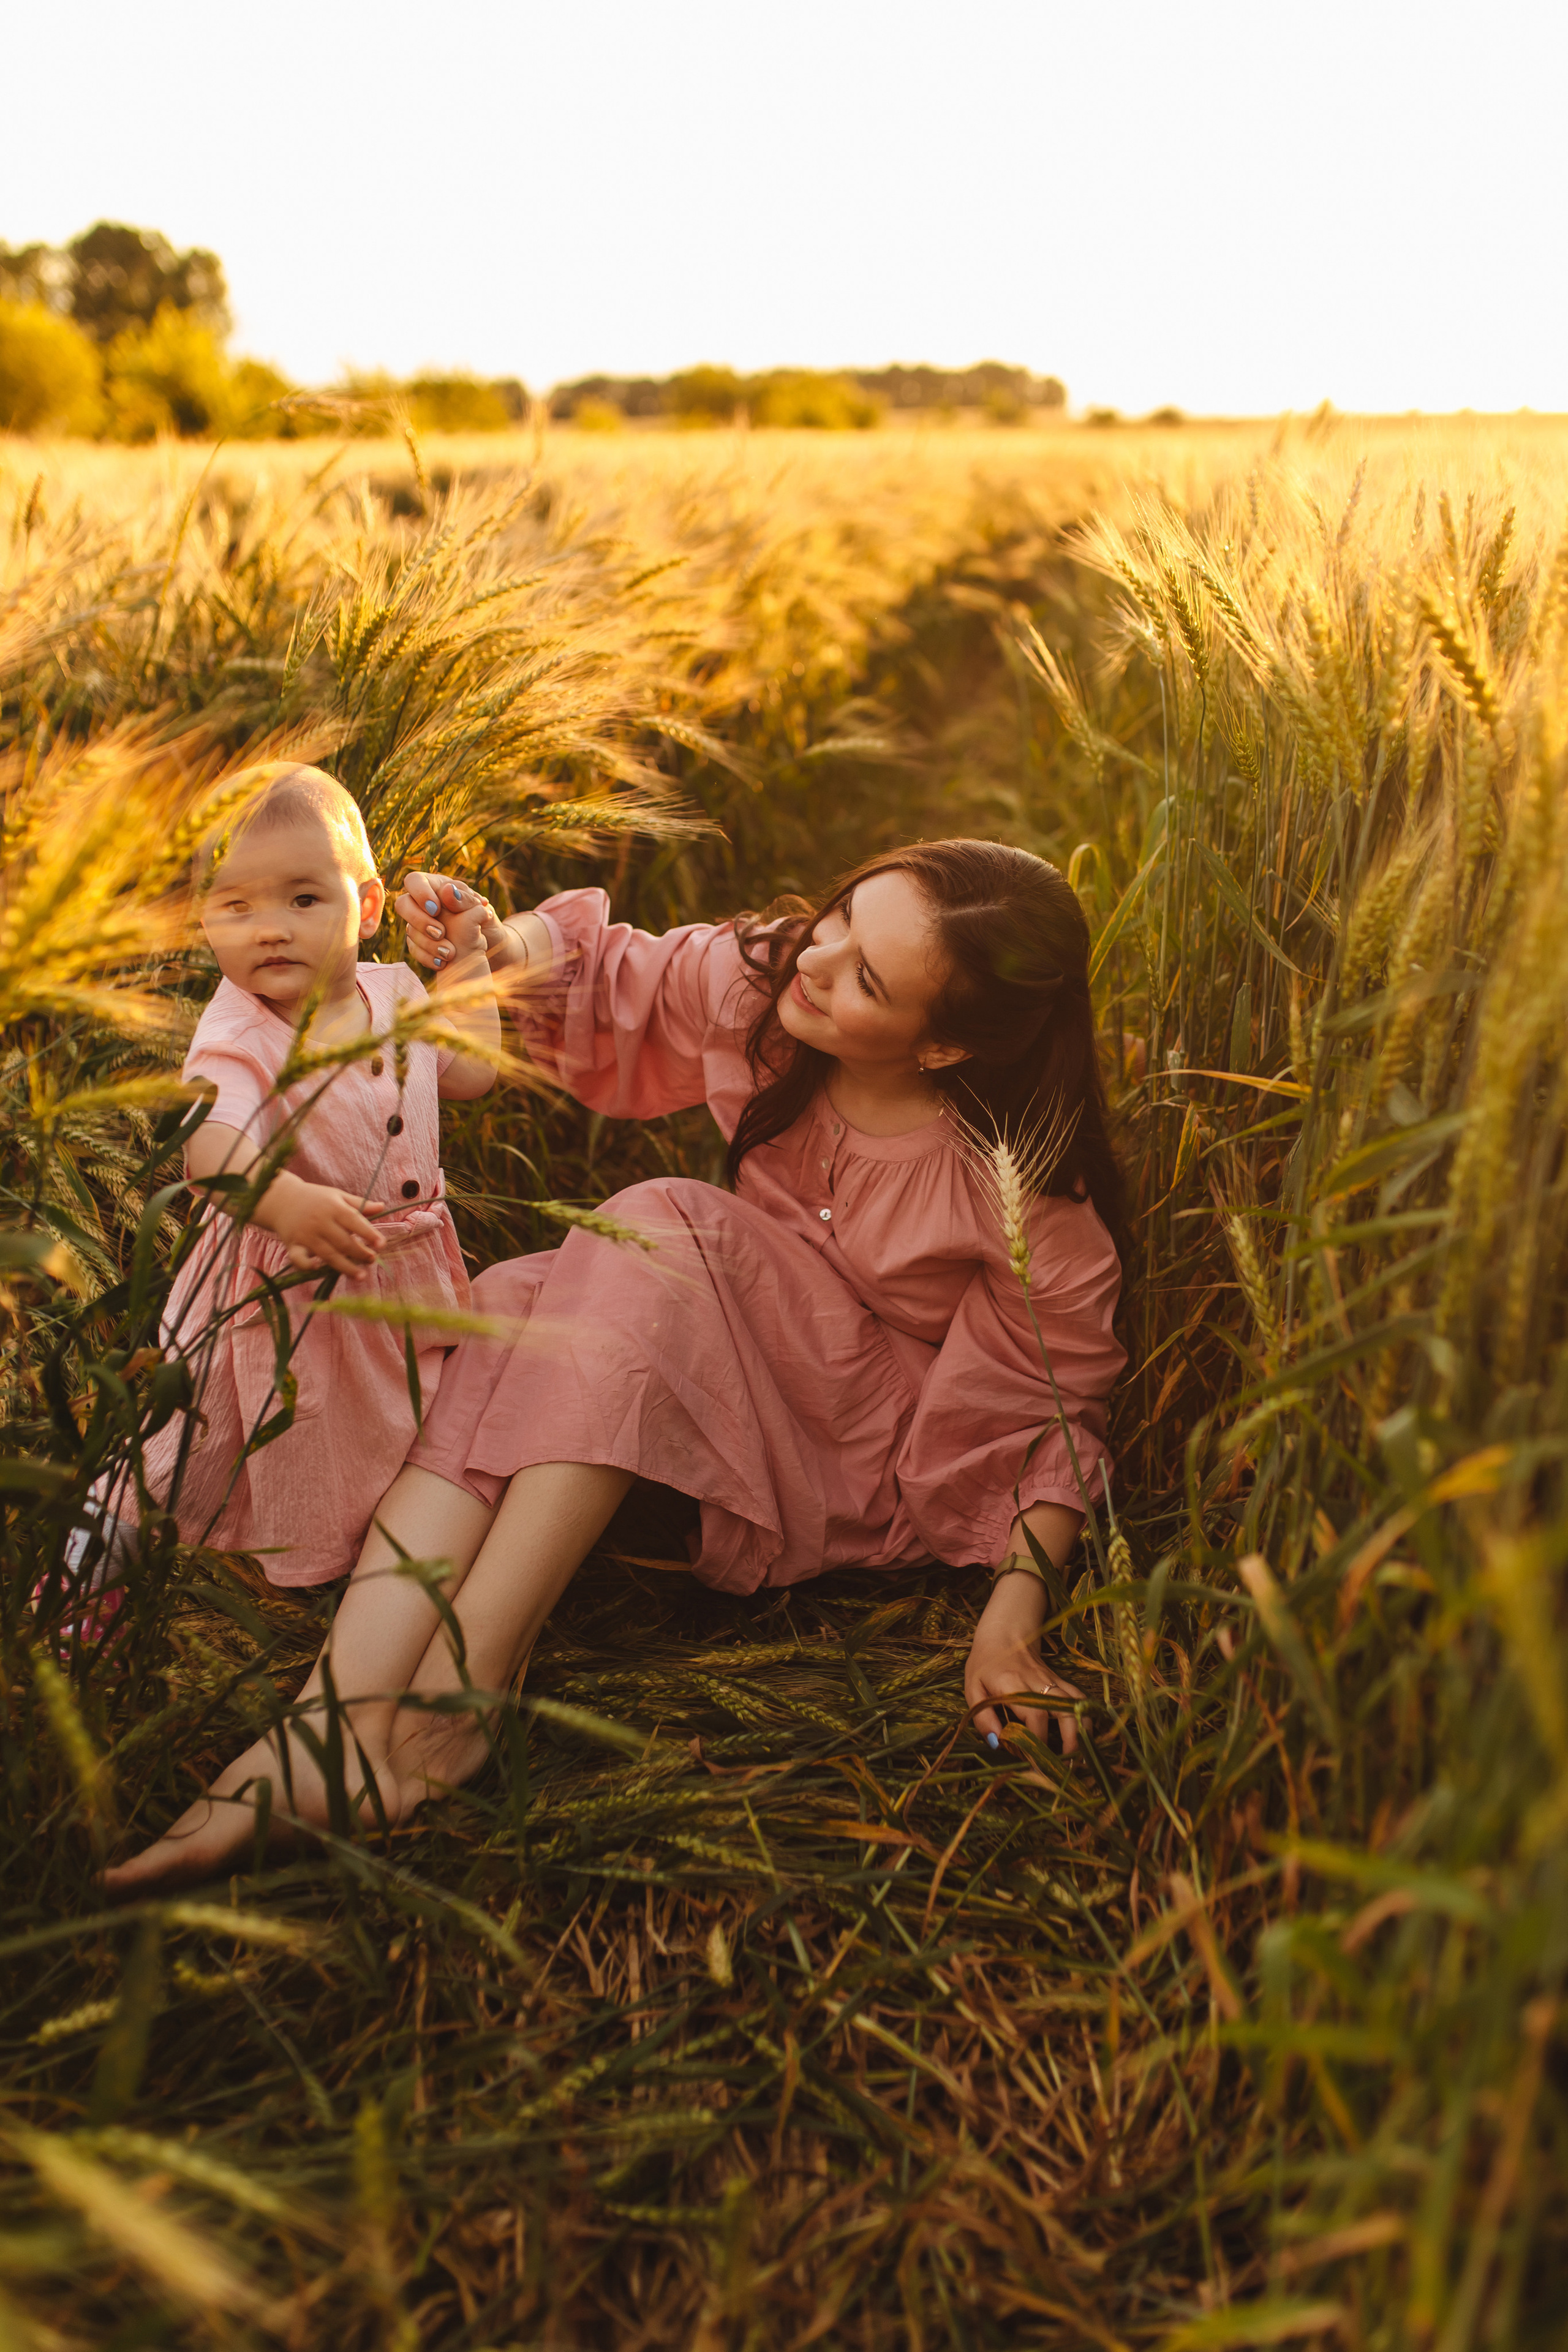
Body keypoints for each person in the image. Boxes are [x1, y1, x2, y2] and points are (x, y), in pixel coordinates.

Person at [105, 838, 1126, 1892]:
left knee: (659, 1227)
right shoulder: (780, 978)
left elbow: (1046, 1414)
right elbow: (623, 970)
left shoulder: (1025, 1191)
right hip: (732, 1334)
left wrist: (1010, 1630)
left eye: (867, 976)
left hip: (862, 1442)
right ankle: (330, 1724)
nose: (815, 961)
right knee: (505, 1311)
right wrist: (494, 943)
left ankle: (456, 1705)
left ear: (945, 1047)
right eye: (841, 917)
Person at [72, 763, 500, 1613]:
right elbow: (211, 1149)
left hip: (399, 1271)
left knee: (382, 1430)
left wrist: (473, 962)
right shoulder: (238, 1035)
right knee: (206, 1443)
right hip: (286, 1291)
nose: (269, 928)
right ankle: (89, 1567)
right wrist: (285, 1202)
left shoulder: (397, 991)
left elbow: (472, 1071)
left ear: (365, 909)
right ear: (205, 921)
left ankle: (365, 1565)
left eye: (303, 899)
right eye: (236, 906)